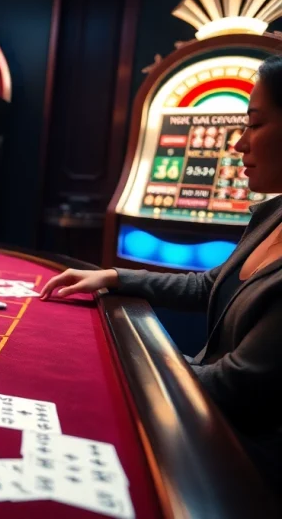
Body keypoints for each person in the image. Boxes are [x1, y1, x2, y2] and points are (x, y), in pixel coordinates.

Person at [39, 55, 282, 488]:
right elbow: (210, 284)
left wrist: (110, 370)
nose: (240, 143)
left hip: (243, 469)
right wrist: (113, 277)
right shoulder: (274, 214)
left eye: (255, 123)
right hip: (203, 419)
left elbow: (235, 387)